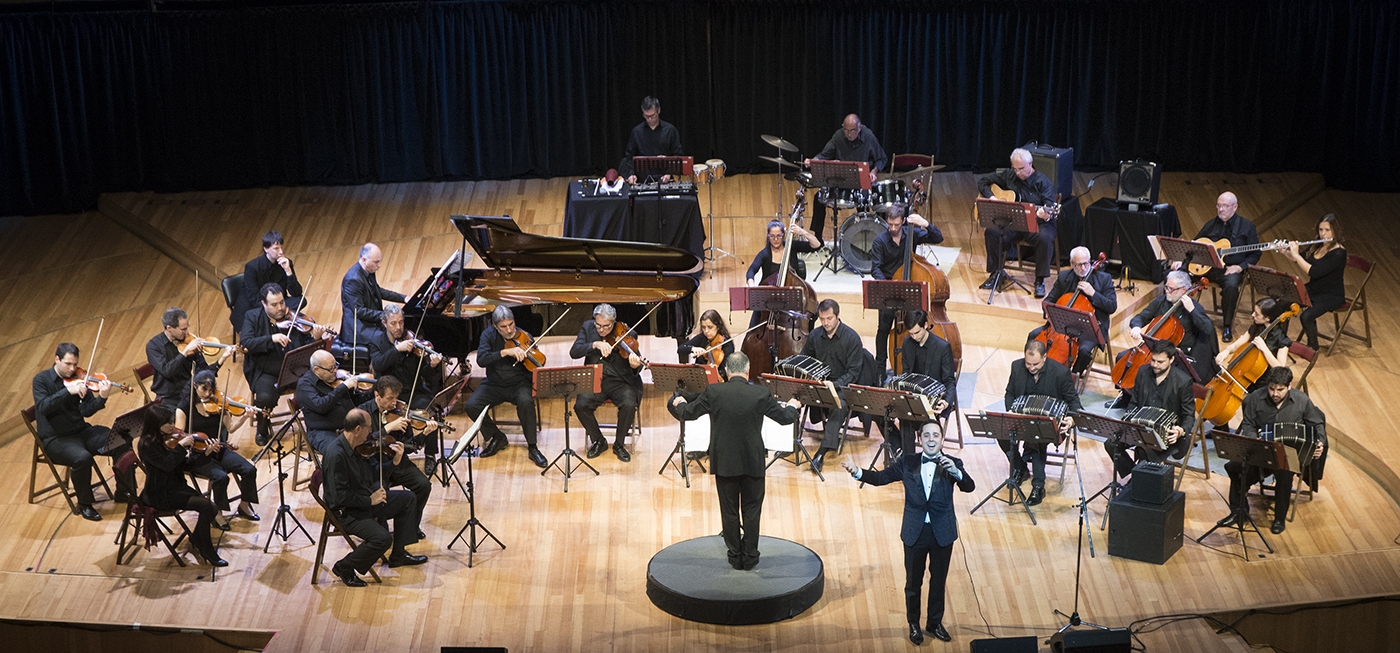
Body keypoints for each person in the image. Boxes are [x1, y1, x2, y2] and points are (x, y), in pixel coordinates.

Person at [842, 422, 975, 645]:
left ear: (942, 440)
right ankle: (913, 624)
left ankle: (934, 622)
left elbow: (969, 487)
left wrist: (956, 472)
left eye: (936, 435)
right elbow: (881, 478)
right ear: (919, 439)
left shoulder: (953, 463)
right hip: (915, 532)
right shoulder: (907, 462)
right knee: (913, 583)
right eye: (926, 435)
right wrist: (857, 472)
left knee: (938, 581)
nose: (931, 439)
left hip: (942, 532)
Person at [669, 353, 802, 570]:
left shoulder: (714, 392)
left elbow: (688, 414)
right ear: (747, 370)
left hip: (725, 462)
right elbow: (785, 418)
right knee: (752, 510)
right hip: (753, 462)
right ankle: (750, 556)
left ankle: (734, 555)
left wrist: (680, 402)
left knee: (729, 510)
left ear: (727, 371)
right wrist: (793, 405)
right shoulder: (760, 393)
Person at [322, 408, 428, 587]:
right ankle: (344, 567)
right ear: (357, 429)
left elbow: (373, 473)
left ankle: (398, 555)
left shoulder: (357, 447)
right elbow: (339, 497)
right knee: (382, 538)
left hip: (363, 501)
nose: (371, 432)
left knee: (408, 499)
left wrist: (394, 463)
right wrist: (370, 500)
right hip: (345, 512)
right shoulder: (336, 456)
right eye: (369, 428)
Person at [1216, 367, 1326, 535]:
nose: (1275, 393)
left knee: (1284, 474)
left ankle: (1279, 518)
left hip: (1290, 453)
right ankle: (1238, 513)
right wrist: (1254, 440)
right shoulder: (1255, 399)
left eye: (1280, 389)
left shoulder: (1301, 400)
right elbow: (1248, 424)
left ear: (1289, 386)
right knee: (1235, 468)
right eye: (1271, 388)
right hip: (1262, 450)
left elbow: (1317, 422)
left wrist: (1320, 442)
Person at [31, 343, 129, 521]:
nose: (72, 369)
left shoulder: (80, 378)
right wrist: (67, 391)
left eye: (75, 364)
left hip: (81, 431)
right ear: (57, 359)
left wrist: (102, 398)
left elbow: (86, 411)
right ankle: (84, 503)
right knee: (82, 458)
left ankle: (125, 491)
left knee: (120, 439)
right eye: (68, 364)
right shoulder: (41, 380)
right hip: (56, 438)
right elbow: (43, 406)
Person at [1108, 270, 1217, 408]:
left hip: (1176, 356)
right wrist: (1136, 327)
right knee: (1123, 357)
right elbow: (1140, 317)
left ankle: (1148, 405)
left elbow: (1208, 329)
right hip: (1152, 349)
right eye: (1166, 287)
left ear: (1184, 290)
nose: (1167, 291)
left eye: (1171, 289)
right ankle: (1126, 398)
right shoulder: (1161, 301)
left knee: (1153, 370)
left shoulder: (1194, 307)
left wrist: (1192, 310)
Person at [136, 403, 227, 567]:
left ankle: (198, 540)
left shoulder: (167, 440)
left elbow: (184, 465)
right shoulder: (146, 445)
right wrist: (180, 448)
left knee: (211, 508)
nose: (172, 426)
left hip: (175, 486)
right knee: (208, 506)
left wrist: (205, 453)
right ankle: (206, 548)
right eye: (167, 423)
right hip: (160, 493)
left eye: (172, 421)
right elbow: (167, 465)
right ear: (155, 425)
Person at [241, 283, 326, 446]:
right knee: (265, 397)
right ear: (263, 304)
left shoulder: (294, 316)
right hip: (266, 371)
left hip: (293, 368)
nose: (280, 308)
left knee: (318, 384)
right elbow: (246, 342)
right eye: (274, 304)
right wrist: (270, 338)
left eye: (282, 302)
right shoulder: (252, 317)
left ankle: (316, 425)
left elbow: (307, 344)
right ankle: (262, 428)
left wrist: (316, 338)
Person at [466, 306, 547, 469]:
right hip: (494, 384)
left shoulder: (523, 335)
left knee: (526, 402)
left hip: (519, 384)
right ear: (495, 326)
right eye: (504, 326)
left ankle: (533, 447)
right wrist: (505, 352)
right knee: (471, 405)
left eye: (511, 324)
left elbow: (536, 364)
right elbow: (481, 359)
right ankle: (497, 437)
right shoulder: (488, 335)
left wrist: (529, 359)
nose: (509, 329)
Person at [175, 370, 260, 524]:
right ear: (195, 386)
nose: (208, 394)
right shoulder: (184, 407)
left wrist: (245, 417)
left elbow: (231, 428)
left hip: (219, 449)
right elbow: (179, 437)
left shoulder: (219, 403)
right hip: (197, 455)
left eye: (211, 390)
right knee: (221, 477)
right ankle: (217, 513)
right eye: (204, 389)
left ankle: (244, 505)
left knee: (249, 470)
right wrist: (203, 446)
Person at [1172, 192, 1259, 342]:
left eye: (1225, 206)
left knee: (1231, 285)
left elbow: (1255, 254)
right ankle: (1174, 315)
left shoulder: (1246, 227)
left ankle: (1227, 325)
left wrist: (1240, 267)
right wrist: (1182, 261)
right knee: (1176, 274)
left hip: (1230, 269)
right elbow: (1195, 245)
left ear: (1235, 207)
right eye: (1218, 205)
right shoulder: (1211, 224)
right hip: (1208, 267)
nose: (1221, 209)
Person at [870, 204, 945, 375]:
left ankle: (915, 368)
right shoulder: (880, 241)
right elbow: (876, 268)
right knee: (883, 330)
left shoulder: (913, 234)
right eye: (890, 225)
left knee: (916, 326)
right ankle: (880, 370)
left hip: (910, 292)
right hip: (889, 292)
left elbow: (938, 237)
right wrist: (887, 285)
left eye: (897, 225)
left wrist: (924, 223)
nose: (893, 228)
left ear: (903, 221)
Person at [368, 304, 445, 471]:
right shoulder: (376, 343)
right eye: (393, 323)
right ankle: (396, 453)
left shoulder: (412, 340)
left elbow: (422, 371)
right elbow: (378, 364)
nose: (398, 327)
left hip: (413, 391)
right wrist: (397, 350)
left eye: (401, 322)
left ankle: (430, 454)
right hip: (390, 396)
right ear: (384, 323)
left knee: (429, 411)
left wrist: (432, 365)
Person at [1003, 339, 1080, 506]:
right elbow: (1009, 393)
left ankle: (1038, 485)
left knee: (1035, 439)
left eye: (1035, 364)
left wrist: (1072, 419)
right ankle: (1021, 467)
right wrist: (1010, 411)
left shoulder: (1060, 372)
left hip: (1049, 425)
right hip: (1023, 419)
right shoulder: (1017, 367)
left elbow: (1074, 402)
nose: (1031, 368)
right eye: (1028, 363)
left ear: (1044, 357)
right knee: (1000, 432)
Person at [1103, 339, 1194, 479]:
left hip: (1168, 435)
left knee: (1146, 451)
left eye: (1160, 362)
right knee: (1111, 443)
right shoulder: (1143, 371)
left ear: (1171, 359)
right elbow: (1133, 403)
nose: (1155, 365)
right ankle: (1135, 476)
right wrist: (1128, 419)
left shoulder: (1183, 381)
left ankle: (1136, 482)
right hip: (1140, 428)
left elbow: (1189, 415)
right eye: (1153, 360)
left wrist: (1180, 430)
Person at [356, 376, 434, 536]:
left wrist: (424, 435)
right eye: (390, 398)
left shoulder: (400, 413)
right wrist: (388, 429)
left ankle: (410, 525)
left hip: (397, 462)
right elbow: (361, 443)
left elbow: (410, 445)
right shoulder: (363, 413)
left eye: (396, 398)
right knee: (380, 493)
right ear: (377, 395)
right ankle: (379, 530)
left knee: (423, 485)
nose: (394, 403)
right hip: (374, 466)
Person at [799, 299, 869, 473]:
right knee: (794, 396)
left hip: (842, 386)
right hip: (819, 383)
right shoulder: (815, 335)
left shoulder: (851, 338)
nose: (825, 323)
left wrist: (834, 385)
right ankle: (789, 441)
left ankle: (821, 453)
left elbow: (853, 373)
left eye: (829, 318)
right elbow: (804, 358)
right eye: (822, 319)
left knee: (839, 406)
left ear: (837, 316)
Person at [978, 148, 1058, 297]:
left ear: (1030, 164)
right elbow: (983, 182)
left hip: (1038, 223)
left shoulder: (1043, 182)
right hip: (1014, 222)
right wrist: (992, 198)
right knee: (992, 232)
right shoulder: (1009, 175)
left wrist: (1044, 214)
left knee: (1045, 238)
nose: (1017, 172)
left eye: (1021, 169)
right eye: (1015, 169)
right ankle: (996, 274)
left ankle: (1039, 280)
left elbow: (1049, 207)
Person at [570, 304, 645, 462]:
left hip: (621, 382)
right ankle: (599, 440)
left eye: (607, 326)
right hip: (596, 380)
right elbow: (574, 351)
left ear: (614, 321)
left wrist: (634, 365)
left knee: (629, 404)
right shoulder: (588, 327)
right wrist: (594, 344)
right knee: (580, 406)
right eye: (599, 325)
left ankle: (619, 444)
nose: (602, 330)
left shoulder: (628, 334)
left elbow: (637, 367)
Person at [1027, 246, 1117, 374]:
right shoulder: (1064, 276)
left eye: (1086, 263)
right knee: (1033, 335)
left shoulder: (1104, 279)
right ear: (1071, 263)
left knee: (1084, 351)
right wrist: (1048, 312)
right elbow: (1048, 301)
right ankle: (1032, 368)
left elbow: (1112, 306)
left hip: (1090, 329)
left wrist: (1093, 293)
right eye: (1079, 265)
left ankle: (1073, 376)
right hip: (1062, 327)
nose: (1084, 268)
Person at [804, 114, 887, 243]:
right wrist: (813, 160)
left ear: (859, 128)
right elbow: (824, 155)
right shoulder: (838, 136)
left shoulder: (869, 137)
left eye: (853, 130)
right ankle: (817, 239)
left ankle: (862, 241)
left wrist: (874, 172)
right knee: (819, 198)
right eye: (846, 130)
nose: (849, 134)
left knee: (863, 205)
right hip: (841, 179)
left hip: (860, 181)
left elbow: (882, 158)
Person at [890, 309, 955, 454]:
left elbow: (950, 380)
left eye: (917, 332)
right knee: (899, 417)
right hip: (913, 398)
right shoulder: (907, 343)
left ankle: (926, 459)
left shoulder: (942, 347)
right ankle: (909, 461)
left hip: (934, 399)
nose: (914, 336)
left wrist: (946, 402)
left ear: (925, 325)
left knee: (918, 421)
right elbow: (906, 374)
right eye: (911, 333)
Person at [1281, 214, 1346, 350]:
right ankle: (1281, 340)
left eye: (1327, 230)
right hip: (1313, 289)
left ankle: (1313, 348)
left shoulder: (1339, 253)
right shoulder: (1316, 246)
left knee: (1307, 316)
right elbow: (1298, 259)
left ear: (1335, 230)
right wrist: (1285, 252)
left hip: (1331, 295)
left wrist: (1297, 255)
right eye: (1321, 230)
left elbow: (1314, 272)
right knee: (1284, 301)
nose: (1323, 234)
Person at [145, 307, 234, 406]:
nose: (187, 333)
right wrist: (185, 351)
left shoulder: (189, 342)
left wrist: (222, 359)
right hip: (168, 397)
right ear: (169, 328)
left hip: (188, 391)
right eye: (183, 330)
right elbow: (167, 371)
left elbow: (203, 373)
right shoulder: (153, 346)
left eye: (187, 328)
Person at [296, 349, 370, 453]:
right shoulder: (305, 385)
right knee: (338, 453)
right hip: (323, 432)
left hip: (349, 426)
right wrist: (343, 387)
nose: (335, 371)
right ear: (316, 370)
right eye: (331, 369)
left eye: (336, 366)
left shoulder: (338, 379)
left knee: (374, 440)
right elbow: (321, 406)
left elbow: (357, 401)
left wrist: (372, 392)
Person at [1215, 297, 1292, 394]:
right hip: (1247, 374)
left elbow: (1280, 368)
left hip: (1265, 383)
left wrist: (1264, 348)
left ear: (1267, 318)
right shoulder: (1256, 327)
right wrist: (1226, 351)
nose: (1253, 315)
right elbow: (1236, 345)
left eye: (1257, 314)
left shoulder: (1281, 339)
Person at [233, 230, 303, 332]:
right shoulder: (252, 267)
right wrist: (273, 309)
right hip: (256, 305)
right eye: (276, 248)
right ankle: (279, 319)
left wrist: (288, 271)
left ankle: (281, 318)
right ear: (266, 249)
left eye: (281, 248)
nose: (281, 252)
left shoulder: (286, 263)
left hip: (277, 302)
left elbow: (296, 292)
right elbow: (254, 298)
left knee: (301, 300)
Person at [340, 242, 407, 346]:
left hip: (370, 320)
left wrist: (404, 298)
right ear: (364, 260)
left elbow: (377, 291)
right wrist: (386, 316)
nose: (379, 265)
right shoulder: (353, 280)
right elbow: (359, 311)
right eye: (376, 262)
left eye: (379, 261)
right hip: (359, 327)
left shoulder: (368, 270)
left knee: (401, 328)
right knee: (388, 337)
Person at [619, 96, 683, 184]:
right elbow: (629, 156)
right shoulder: (637, 131)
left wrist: (669, 173)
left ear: (659, 110)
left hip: (664, 178)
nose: (649, 119)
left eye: (652, 116)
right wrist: (631, 174)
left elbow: (677, 155)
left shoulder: (670, 130)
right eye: (646, 116)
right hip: (642, 179)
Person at [745, 220, 821, 286]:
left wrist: (803, 232)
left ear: (784, 234)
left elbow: (816, 245)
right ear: (767, 235)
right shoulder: (764, 254)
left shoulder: (792, 246)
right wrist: (751, 285)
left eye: (779, 236)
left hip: (792, 289)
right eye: (772, 236)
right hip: (770, 291)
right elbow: (751, 270)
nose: (775, 239)